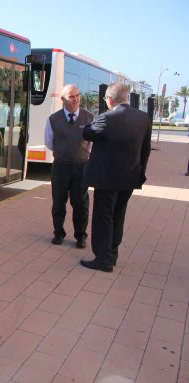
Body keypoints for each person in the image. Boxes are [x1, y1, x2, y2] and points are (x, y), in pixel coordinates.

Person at [80, 82, 151, 272]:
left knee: (104, 218)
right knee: (118, 216)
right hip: (129, 178)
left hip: (107, 179)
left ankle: (103, 260)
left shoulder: (107, 117)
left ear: (110, 99)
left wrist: (89, 124)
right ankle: (112, 254)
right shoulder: (143, 118)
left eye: (105, 100)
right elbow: (145, 150)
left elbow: (88, 133)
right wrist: (140, 171)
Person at [45, 84, 94, 249]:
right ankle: (58, 233)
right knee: (58, 202)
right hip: (61, 167)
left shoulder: (89, 118)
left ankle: (81, 236)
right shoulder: (53, 119)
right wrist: (63, 152)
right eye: (71, 96)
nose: (76, 99)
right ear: (63, 99)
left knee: (80, 203)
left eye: (78, 95)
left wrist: (81, 154)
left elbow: (92, 143)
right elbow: (49, 142)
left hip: (82, 167)